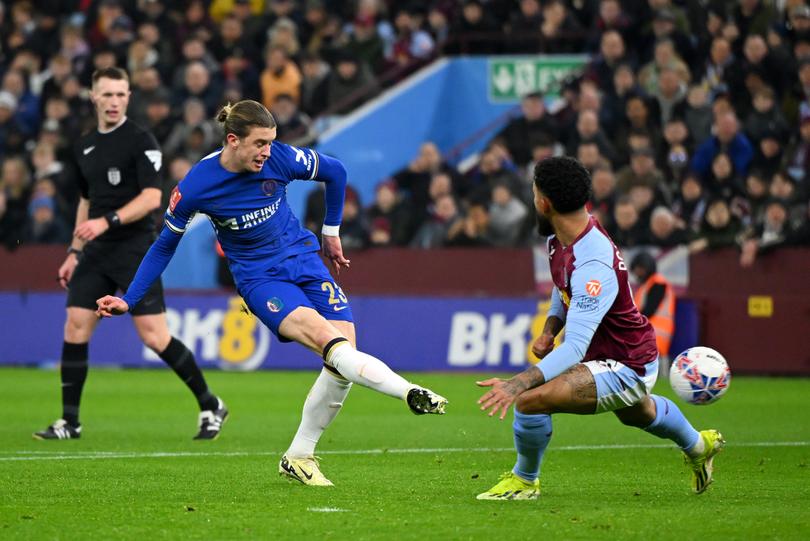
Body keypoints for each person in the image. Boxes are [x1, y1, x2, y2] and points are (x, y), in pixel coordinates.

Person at [95, 99, 448, 486]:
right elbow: (164, 245)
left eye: (271, 142)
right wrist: (130, 298)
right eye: (260, 143)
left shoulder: (280, 158)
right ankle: (409, 392)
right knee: (333, 345)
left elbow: (336, 171)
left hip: (305, 259)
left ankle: (299, 456)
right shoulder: (197, 186)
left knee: (342, 361)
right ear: (233, 140)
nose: (268, 151)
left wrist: (331, 232)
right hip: (261, 280)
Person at [475, 157, 723, 500]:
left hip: (626, 363)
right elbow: (563, 288)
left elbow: (575, 348)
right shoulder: (559, 239)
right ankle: (700, 445)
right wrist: (550, 328)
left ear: (544, 202)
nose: (534, 200)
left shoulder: (593, 262)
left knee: (530, 401)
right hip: (612, 354)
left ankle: (524, 481)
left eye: (534, 194)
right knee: (639, 413)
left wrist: (516, 384)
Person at [33, 68, 227, 442]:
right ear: (93, 97)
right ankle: (69, 422)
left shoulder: (141, 140)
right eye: (107, 94)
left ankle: (210, 404)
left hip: (136, 249)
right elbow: (85, 201)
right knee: (75, 325)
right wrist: (74, 250)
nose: (114, 101)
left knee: (155, 337)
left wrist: (107, 223)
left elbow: (153, 198)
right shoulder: (84, 145)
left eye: (121, 94)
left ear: (128, 97)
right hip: (96, 251)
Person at [630, 251, 676, 375]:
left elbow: (649, 309)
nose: (637, 272)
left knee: (657, 360)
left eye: (640, 269)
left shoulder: (658, 283)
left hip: (656, 330)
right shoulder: (647, 285)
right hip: (650, 330)